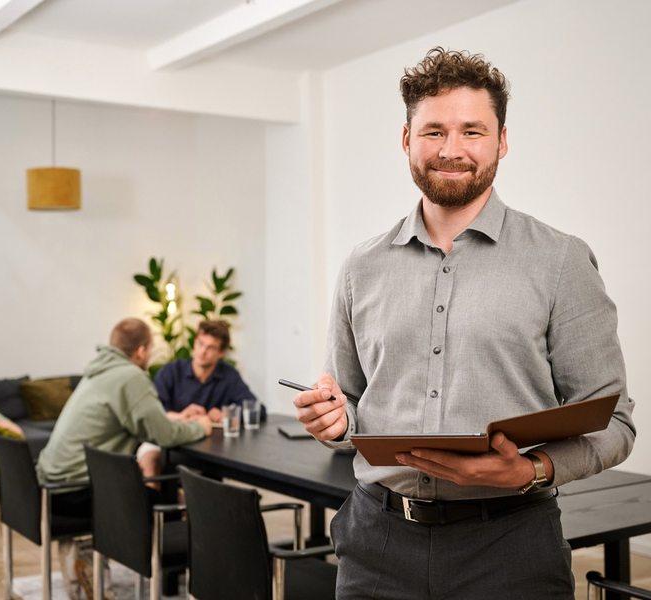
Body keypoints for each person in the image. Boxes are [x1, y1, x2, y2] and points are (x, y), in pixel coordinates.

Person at [292, 47, 635, 600]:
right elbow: (349, 405)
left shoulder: (561, 261)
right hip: (376, 543)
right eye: (434, 132)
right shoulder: (361, 266)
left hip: (510, 546)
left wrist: (531, 469)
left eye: (472, 131)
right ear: (407, 140)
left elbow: (612, 421)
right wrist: (332, 420)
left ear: (502, 141)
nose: (451, 150)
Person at [36, 317, 212, 600]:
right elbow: (164, 435)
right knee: (170, 503)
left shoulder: (98, 372)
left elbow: (135, 422)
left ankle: (90, 558)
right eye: (150, 349)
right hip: (79, 490)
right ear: (141, 351)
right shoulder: (131, 376)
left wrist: (176, 418)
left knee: (156, 494)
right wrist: (200, 427)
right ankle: (158, 574)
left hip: (52, 487)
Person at [154, 320, 264, 422]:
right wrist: (182, 416)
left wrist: (226, 414)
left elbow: (258, 409)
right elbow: (152, 412)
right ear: (194, 342)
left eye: (211, 348)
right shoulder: (171, 371)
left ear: (222, 353)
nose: (202, 351)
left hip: (216, 437)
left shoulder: (229, 375)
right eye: (200, 343)